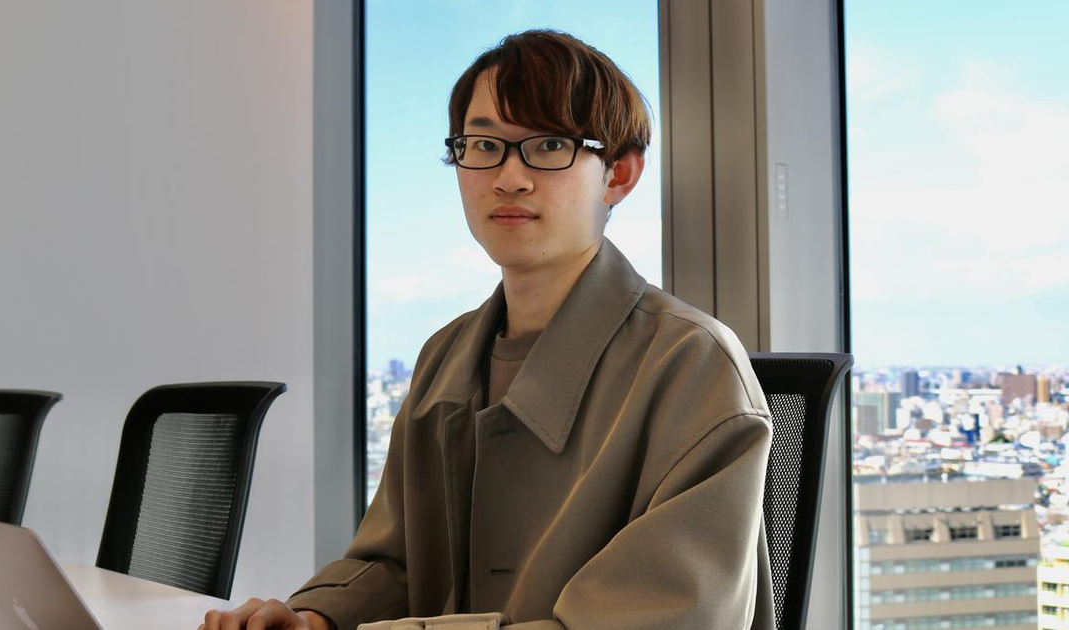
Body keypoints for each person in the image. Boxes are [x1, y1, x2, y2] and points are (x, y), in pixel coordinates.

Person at [200, 29, 775, 630]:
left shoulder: (691, 364)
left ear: (619, 174)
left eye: (548, 145)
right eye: (483, 145)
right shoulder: (444, 355)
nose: (508, 177)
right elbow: (396, 565)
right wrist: (312, 618)